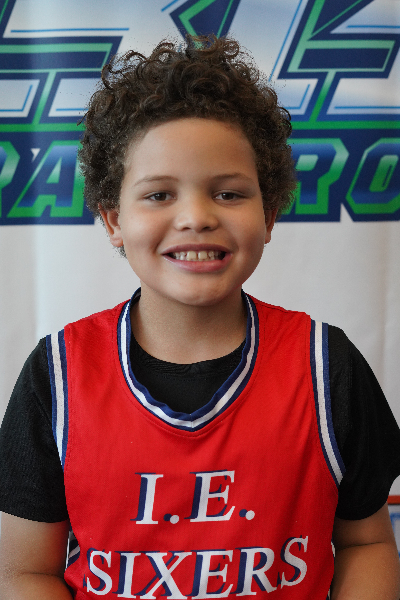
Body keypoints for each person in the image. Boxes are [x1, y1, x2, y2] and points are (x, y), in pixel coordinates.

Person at [0, 35, 400, 600]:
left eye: (229, 194)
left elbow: (367, 543)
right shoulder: (58, 375)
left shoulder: (326, 365)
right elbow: (22, 570)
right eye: (159, 195)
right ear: (113, 220)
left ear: (270, 213)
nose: (196, 217)